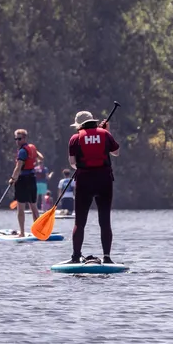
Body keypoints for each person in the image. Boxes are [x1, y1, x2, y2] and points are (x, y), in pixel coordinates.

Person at [66, 110, 120, 264]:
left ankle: (76, 257)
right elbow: (116, 152)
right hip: (104, 181)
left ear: (79, 125)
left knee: (79, 222)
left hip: (84, 181)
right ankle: (107, 257)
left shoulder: (75, 138)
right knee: (105, 221)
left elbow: (72, 163)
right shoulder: (105, 134)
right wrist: (106, 132)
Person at [7, 129, 39, 237]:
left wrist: (12, 178)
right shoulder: (32, 148)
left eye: (19, 139)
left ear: (25, 138)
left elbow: (18, 166)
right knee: (33, 206)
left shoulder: (22, 151)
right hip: (32, 178)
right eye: (16, 139)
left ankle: (22, 233)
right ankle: (38, 231)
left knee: (21, 208)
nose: (17, 141)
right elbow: (40, 158)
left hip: (23, 180)